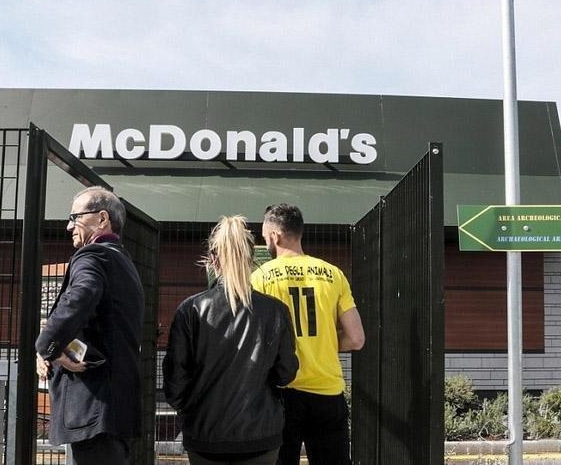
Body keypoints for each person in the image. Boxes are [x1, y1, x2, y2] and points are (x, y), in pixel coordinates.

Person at [163, 216, 299, 465]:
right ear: (251, 260)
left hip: (205, 436)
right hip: (260, 435)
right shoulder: (275, 311)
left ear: (213, 260)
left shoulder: (190, 310)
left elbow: (175, 382)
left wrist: (192, 409)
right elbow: (286, 373)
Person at [35, 186, 144, 465]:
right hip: (115, 406)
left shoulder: (92, 256)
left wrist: (48, 346)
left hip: (93, 404)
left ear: (102, 218)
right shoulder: (123, 262)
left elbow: (81, 296)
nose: (69, 225)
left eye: (75, 217)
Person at [250, 204, 365, 465]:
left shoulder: (260, 277)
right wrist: (324, 342)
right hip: (327, 391)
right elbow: (357, 339)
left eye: (265, 236)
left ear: (275, 236)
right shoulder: (333, 274)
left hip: (281, 391)